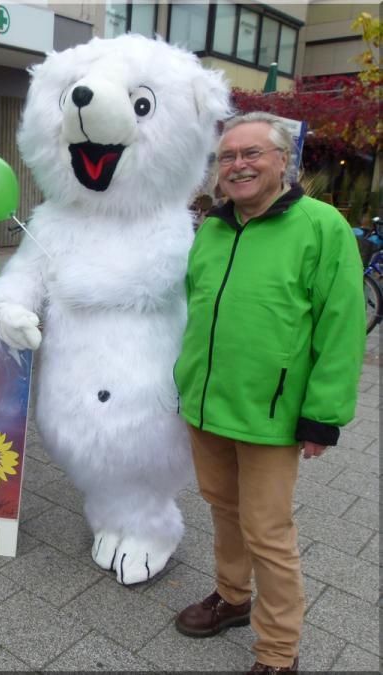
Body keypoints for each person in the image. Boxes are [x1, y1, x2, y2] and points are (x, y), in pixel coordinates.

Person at [172, 112, 366, 674]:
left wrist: (323, 415)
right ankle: (233, 598)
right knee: (224, 510)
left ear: (284, 161)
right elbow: (196, 305)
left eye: (252, 153)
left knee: (268, 532)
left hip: (270, 416)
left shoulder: (321, 226)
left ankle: (279, 652)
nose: (239, 165)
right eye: (228, 156)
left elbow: (342, 325)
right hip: (207, 405)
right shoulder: (212, 227)